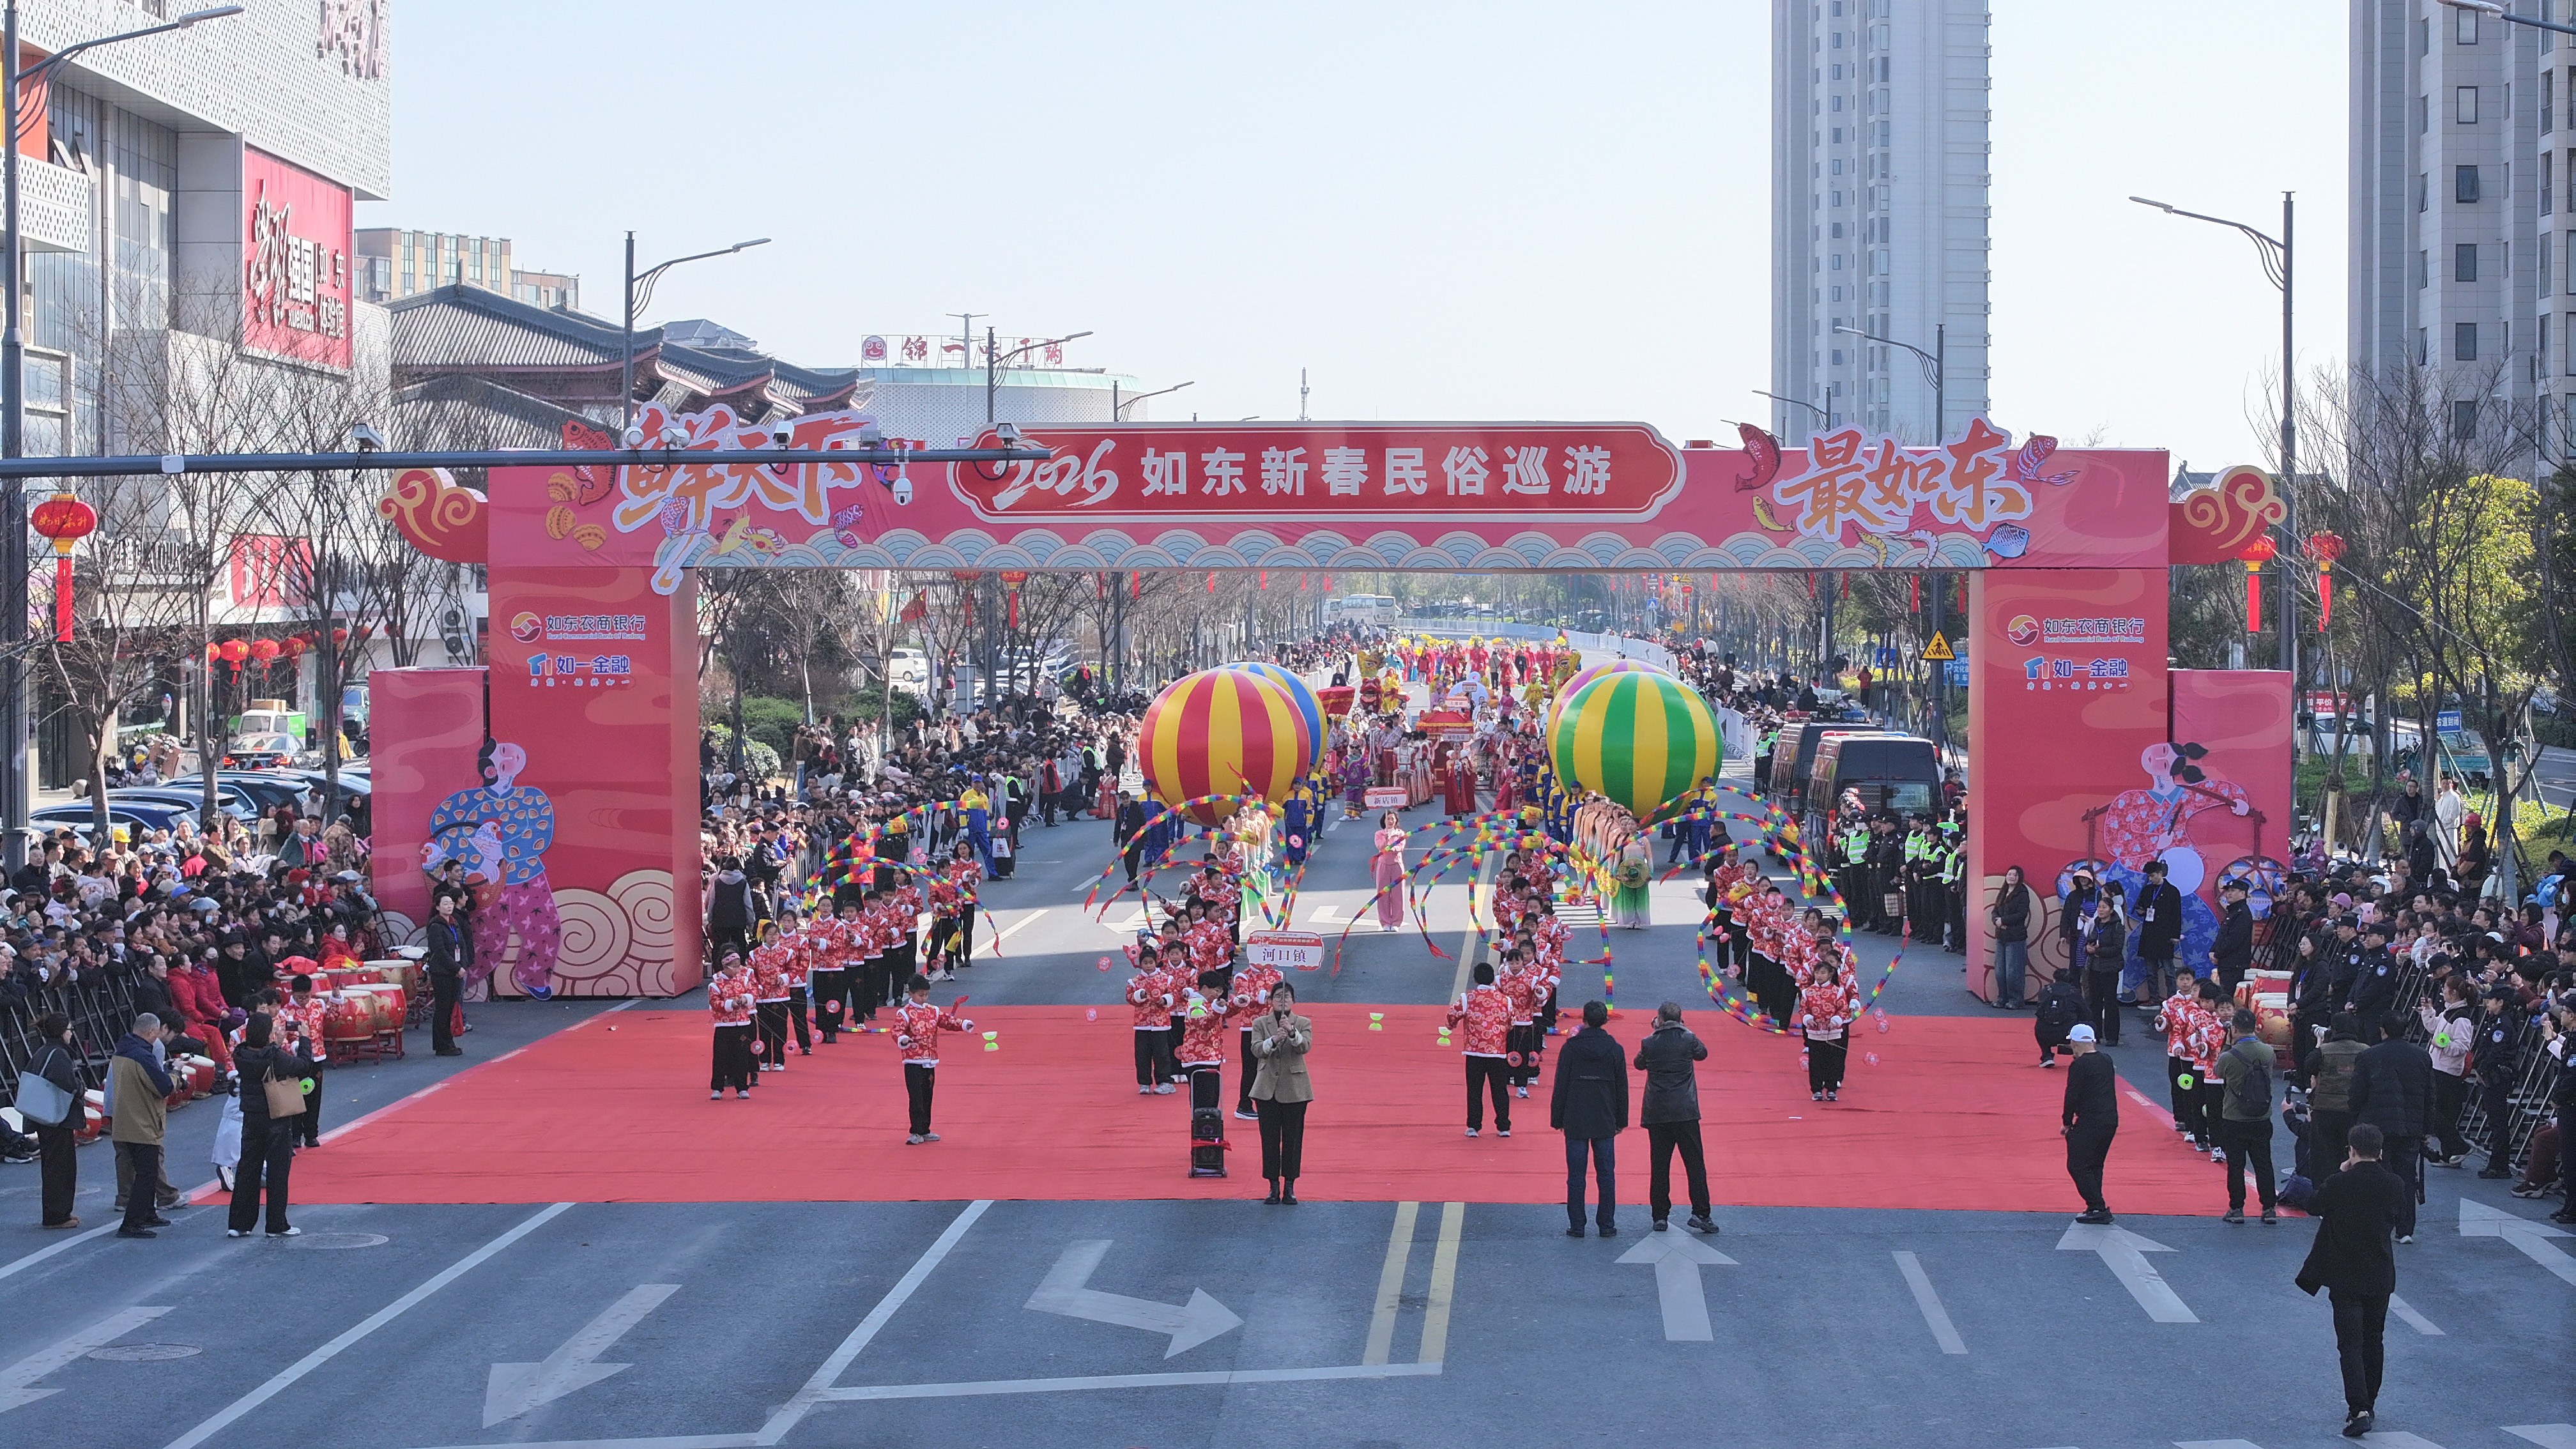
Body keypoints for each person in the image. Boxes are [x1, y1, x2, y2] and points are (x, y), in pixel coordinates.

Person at [2295, 1122, 2409, 1439]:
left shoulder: (2339, 1183)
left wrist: (2342, 1172)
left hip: (2345, 1275)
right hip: (2379, 1274)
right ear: (2380, 1152)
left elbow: (2313, 1206)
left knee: (2350, 1344)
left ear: (2351, 1150)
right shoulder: (2394, 1184)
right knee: (2374, 1340)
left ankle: (2357, 1409)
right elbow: (2400, 1216)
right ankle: (2369, 1403)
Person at [1632, 1002, 1719, 1234]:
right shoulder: (1688, 1039)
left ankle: (1660, 1216)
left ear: (1659, 1019)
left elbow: (1639, 1064)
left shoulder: (1649, 1042)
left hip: (1657, 1111)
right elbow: (1702, 1054)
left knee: (1660, 1165)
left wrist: (1654, 1032)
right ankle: (1701, 1213)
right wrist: (1685, 1030)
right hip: (1685, 1110)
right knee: (1695, 1164)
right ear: (1680, 1019)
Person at [2347, 1011, 2433, 1242]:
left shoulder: (2368, 1056)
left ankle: (2380, 1224)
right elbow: (2430, 1095)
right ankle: (2405, 1229)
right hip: (2410, 1126)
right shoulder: (2422, 1056)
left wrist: (2355, 1117)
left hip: (2377, 1126)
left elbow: (2356, 1094)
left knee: (2378, 1175)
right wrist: (2427, 1128)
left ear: (2383, 1030)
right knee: (2407, 1176)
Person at [227, 1013, 311, 1238]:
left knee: (248, 1168)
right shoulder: (274, 1056)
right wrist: (304, 1039)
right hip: (276, 1116)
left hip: (251, 1115)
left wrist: (275, 1043)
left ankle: (239, 1223)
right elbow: (303, 1065)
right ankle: (276, 1224)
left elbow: (261, 1055)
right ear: (267, 1034)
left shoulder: (240, 1054)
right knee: (277, 1170)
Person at [1551, 999, 1629, 1238]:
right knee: (1606, 1174)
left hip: (1575, 1116)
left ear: (1583, 1020)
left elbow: (1561, 1085)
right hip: (1605, 1117)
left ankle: (1577, 1225)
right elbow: (1621, 1088)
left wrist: (1557, 1118)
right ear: (1605, 1021)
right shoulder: (1615, 1049)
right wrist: (1621, 1120)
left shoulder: (1570, 1049)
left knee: (1576, 1175)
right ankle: (1606, 1224)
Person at [107, 1013, 174, 1239]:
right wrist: (175, 1077)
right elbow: (163, 1087)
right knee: (147, 1173)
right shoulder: (143, 1057)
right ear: (151, 1032)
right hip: (143, 1122)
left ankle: (147, 1213)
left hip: (124, 1119)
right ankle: (132, 1222)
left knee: (140, 1171)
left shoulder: (122, 1051)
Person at [2212, 1007, 2281, 1224]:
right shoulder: (2268, 1052)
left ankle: (2237, 1208)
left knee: (2236, 1165)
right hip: (2262, 1116)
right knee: (2264, 1163)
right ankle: (2269, 1208)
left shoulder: (2229, 1056)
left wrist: (2227, 1044)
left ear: (2234, 1029)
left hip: (2235, 1117)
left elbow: (2217, 1071)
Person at [1249, 982, 1314, 1205]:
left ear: (1293, 1000)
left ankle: (1290, 1186)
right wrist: (1275, 1039)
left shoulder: (1303, 1023)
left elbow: (1304, 1047)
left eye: (1286, 996)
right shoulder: (1260, 1023)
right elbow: (1256, 1050)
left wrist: (1292, 1032)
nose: (1282, 1000)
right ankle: (1273, 1186)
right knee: (1270, 1140)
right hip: (1267, 1089)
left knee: (1293, 1140)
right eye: (1278, 996)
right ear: (1270, 1001)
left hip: (1295, 1089)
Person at [893, 974, 973, 1144]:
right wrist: (903, 1040)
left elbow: (947, 1021)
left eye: (926, 995)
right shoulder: (904, 1013)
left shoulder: (933, 1010)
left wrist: (963, 1024)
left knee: (927, 1096)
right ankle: (915, 1131)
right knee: (916, 1097)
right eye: (920, 995)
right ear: (911, 994)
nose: (924, 998)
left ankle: (925, 1129)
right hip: (913, 1062)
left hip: (930, 1061)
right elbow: (897, 1031)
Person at [25, 1013, 81, 1229]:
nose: (71, 1033)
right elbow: (68, 1082)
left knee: (53, 1166)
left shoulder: (44, 1051)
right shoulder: (58, 1054)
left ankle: (59, 1211)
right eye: (69, 1029)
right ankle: (57, 1215)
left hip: (45, 1118)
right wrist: (80, 1088)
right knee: (61, 1168)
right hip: (56, 1119)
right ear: (61, 1032)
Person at [2060, 1023, 2118, 1223]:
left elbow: (2072, 1095)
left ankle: (2098, 1206)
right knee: (2095, 1164)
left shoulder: (2080, 1065)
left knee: (2077, 1165)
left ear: (2075, 1043)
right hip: (2110, 1119)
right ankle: (2095, 1205)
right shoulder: (2106, 1060)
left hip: (2090, 1120)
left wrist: (2067, 1122)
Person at [1448, 961, 1513, 1137]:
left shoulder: (1467, 998)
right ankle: (1504, 1126)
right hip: (1497, 1052)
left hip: (1474, 1051)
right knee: (1500, 1090)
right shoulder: (1505, 1000)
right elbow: (1511, 1022)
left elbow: (1452, 1015)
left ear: (1476, 979)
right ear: (1493, 980)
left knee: (1475, 1090)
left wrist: (1450, 1026)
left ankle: (1474, 1126)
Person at [2133, 859, 2184, 1006]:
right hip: (2149, 934)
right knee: (2151, 971)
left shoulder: (2172, 891)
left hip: (2165, 935)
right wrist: (2141, 911)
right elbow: (2141, 907)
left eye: (2153, 876)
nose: (2151, 879)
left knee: (2169, 971)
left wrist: (2175, 935)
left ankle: (2172, 999)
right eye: (2149, 876)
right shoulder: (2147, 890)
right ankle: (2154, 998)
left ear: (2160, 873)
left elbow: (2177, 915)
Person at [425, 893, 468, 1056]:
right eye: (445, 904)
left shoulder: (454, 923)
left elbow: (462, 946)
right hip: (442, 973)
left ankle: (449, 1041)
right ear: (438, 907)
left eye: (451, 903)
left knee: (451, 1007)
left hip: (455, 971)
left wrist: (462, 966)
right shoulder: (435, 926)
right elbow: (440, 951)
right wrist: (456, 968)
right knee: (442, 1009)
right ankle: (441, 1045)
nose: (449, 906)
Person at [1989, 864, 2033, 1008]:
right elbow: (1995, 910)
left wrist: (2004, 921)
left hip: (2016, 938)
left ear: (2019, 877)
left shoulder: (2022, 893)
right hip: (2001, 936)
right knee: (2000, 972)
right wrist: (1997, 921)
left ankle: (2016, 1000)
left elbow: (2022, 914)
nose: (2011, 877)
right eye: (2009, 874)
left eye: (2014, 875)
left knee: (2013, 972)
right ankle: (2002, 998)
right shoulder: (2003, 891)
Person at [2034, 967, 2086, 1068]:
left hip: (2045, 1032)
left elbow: (2039, 1012)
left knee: (2039, 1025)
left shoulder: (2045, 991)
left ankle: (2047, 1056)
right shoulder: (2074, 992)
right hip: (2068, 1033)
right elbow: (2086, 1014)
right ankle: (2080, 1053)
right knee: (2088, 1024)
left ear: (2054, 978)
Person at [1371, 811, 1408, 930]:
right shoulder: (1379, 834)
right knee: (1383, 894)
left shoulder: (1400, 833)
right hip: (1383, 865)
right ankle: (1385, 923)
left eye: (1393, 819)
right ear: (1384, 821)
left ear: (1396, 821)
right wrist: (1386, 841)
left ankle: (1396, 923)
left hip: (1397, 865)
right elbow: (1380, 847)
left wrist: (1391, 848)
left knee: (1398, 895)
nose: (1391, 821)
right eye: (1388, 819)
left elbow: (1400, 847)